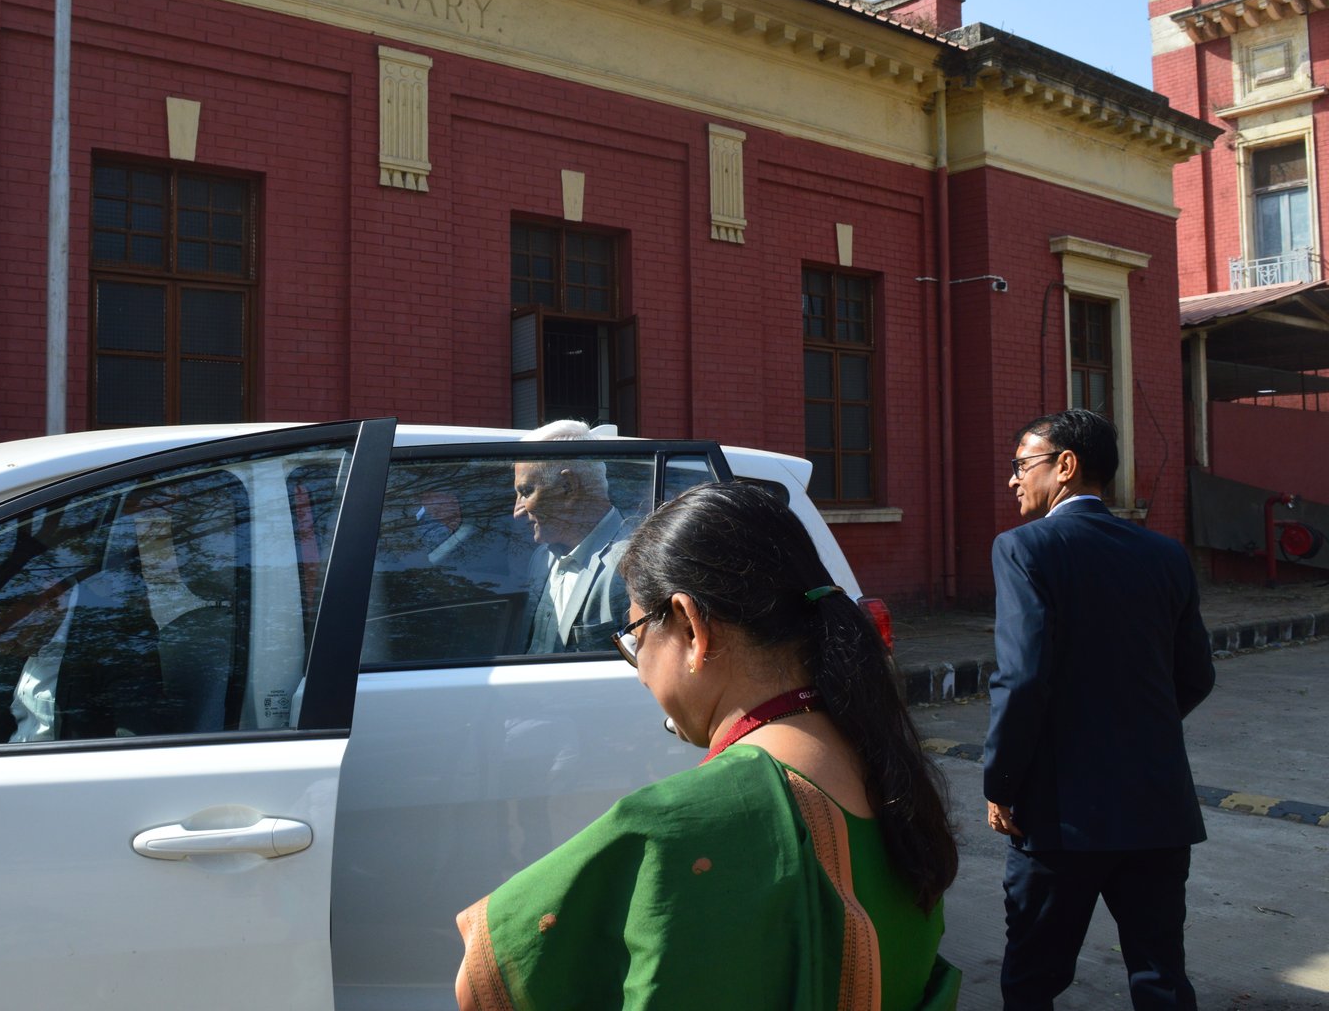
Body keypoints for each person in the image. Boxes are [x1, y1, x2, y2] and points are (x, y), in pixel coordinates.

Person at [456, 482, 961, 1010]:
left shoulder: (675, 826)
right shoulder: (888, 772)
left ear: (692, 628)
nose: (640, 672)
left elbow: (481, 981)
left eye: (634, 638)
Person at [984, 410, 1215, 1011]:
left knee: (1031, 980)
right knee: (1161, 976)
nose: (1012, 479)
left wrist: (1001, 784)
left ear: (1065, 466)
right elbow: (1196, 675)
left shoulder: (1024, 548)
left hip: (1059, 814)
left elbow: (1022, 678)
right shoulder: (1165, 554)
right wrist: (1135, 729)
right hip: (1157, 806)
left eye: (1021, 465)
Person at [514, 419, 631, 652]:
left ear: (567, 486)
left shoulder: (632, 564)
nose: (517, 511)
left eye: (526, 492)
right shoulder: (542, 558)